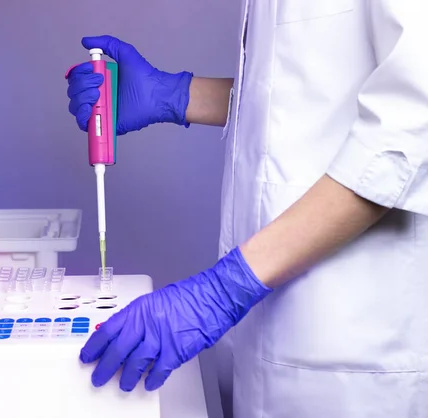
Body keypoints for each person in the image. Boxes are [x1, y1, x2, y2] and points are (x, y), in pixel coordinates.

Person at [65, 2, 428, 417]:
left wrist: (222, 291)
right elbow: (306, 99)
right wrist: (174, 95)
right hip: (268, 336)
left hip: (354, 348)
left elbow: (411, 125)